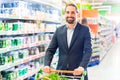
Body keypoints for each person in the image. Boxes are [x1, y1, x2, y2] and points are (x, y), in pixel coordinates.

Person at [42, 3, 92, 80]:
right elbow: (50, 50)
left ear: (77, 14)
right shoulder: (59, 31)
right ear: (65, 14)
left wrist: (82, 66)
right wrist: (46, 64)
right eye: (67, 12)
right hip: (62, 72)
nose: (70, 15)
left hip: (78, 73)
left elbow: (88, 51)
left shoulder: (84, 30)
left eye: (72, 12)